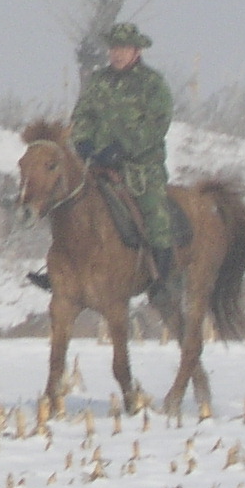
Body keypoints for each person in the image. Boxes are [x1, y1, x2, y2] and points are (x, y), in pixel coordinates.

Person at [69, 20, 176, 293]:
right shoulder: (98, 81)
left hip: (140, 167)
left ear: (136, 51)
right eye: (114, 48)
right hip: (97, 163)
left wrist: (123, 148)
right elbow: (83, 114)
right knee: (69, 207)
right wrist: (82, 142)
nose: (117, 53)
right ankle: (63, 273)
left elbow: (157, 124)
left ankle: (162, 281)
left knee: (155, 216)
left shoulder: (152, 84)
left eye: (124, 48)